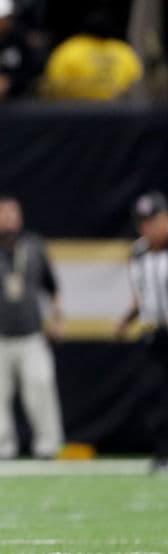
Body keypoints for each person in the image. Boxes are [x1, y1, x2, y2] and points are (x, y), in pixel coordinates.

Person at [0, 197, 65, 459]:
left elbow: (52, 288)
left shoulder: (34, 246)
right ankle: (1, 449)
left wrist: (57, 319)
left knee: (40, 389)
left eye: (12, 213)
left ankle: (48, 447)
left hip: (32, 335)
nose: (7, 218)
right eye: (2, 213)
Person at [115, 191, 168, 474]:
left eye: (154, 220)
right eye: (143, 223)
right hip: (154, 333)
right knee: (154, 395)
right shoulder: (138, 252)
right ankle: (162, 455)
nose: (149, 228)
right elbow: (142, 294)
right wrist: (127, 319)